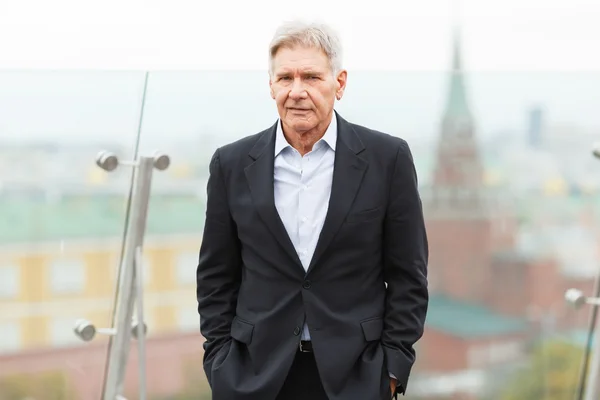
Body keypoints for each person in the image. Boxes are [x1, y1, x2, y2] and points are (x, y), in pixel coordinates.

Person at [196, 20, 429, 400]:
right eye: (285, 78)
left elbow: (409, 276)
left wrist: (391, 368)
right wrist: (219, 362)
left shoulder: (389, 159)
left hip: (357, 376)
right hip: (254, 376)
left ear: (339, 83)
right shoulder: (231, 164)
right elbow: (215, 275)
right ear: (270, 85)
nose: (297, 91)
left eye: (311, 77)